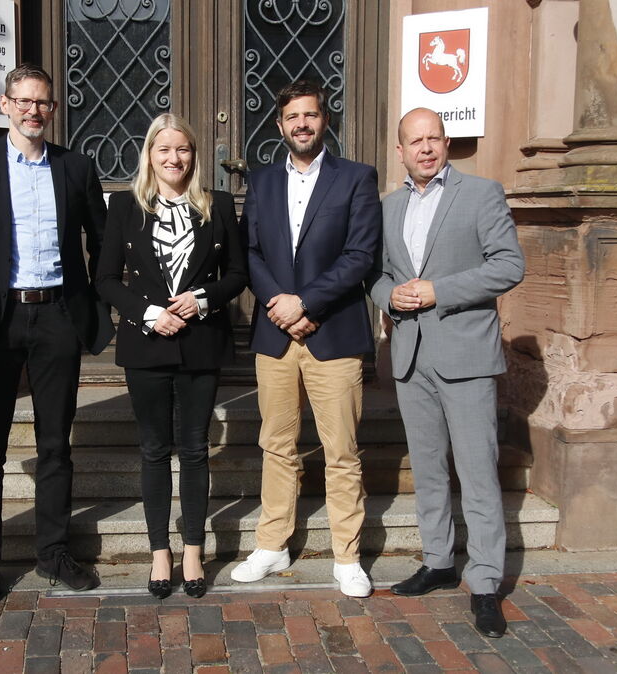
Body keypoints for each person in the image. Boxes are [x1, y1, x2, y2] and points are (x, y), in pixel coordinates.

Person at [0, 64, 114, 603]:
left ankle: (53, 553)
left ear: (53, 110)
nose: (32, 111)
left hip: (57, 315)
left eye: (42, 103)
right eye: (23, 101)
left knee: (54, 445)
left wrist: (96, 301)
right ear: (4, 104)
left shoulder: (76, 167)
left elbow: (102, 239)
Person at [367, 107, 525, 638]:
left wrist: (440, 292)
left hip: (466, 357)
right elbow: (378, 274)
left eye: (434, 138)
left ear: (447, 141)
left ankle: (484, 583)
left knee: (478, 472)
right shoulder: (388, 207)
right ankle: (438, 562)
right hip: (411, 355)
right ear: (400, 150)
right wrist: (391, 296)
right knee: (429, 470)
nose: (426, 148)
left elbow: (508, 265)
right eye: (415, 141)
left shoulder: (481, 194)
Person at [230, 80, 382, 598]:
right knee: (276, 443)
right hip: (276, 335)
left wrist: (307, 303)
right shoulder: (264, 180)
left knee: (341, 449)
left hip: (333, 333)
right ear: (280, 125)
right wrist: (281, 304)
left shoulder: (356, 178)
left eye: (311, 115)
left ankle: (347, 556)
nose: (302, 124)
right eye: (293, 116)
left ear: (325, 121)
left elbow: (361, 255)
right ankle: (272, 545)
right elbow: (249, 253)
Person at [95, 114, 248, 599]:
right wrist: (146, 313)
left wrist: (202, 299)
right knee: (154, 449)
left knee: (196, 448)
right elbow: (104, 279)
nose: (173, 158)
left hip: (202, 344)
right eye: (163, 150)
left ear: (193, 155)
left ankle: (193, 549)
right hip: (147, 344)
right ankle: (159, 549)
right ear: (149, 155)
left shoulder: (218, 205)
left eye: (182, 149)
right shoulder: (123, 206)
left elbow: (237, 274)